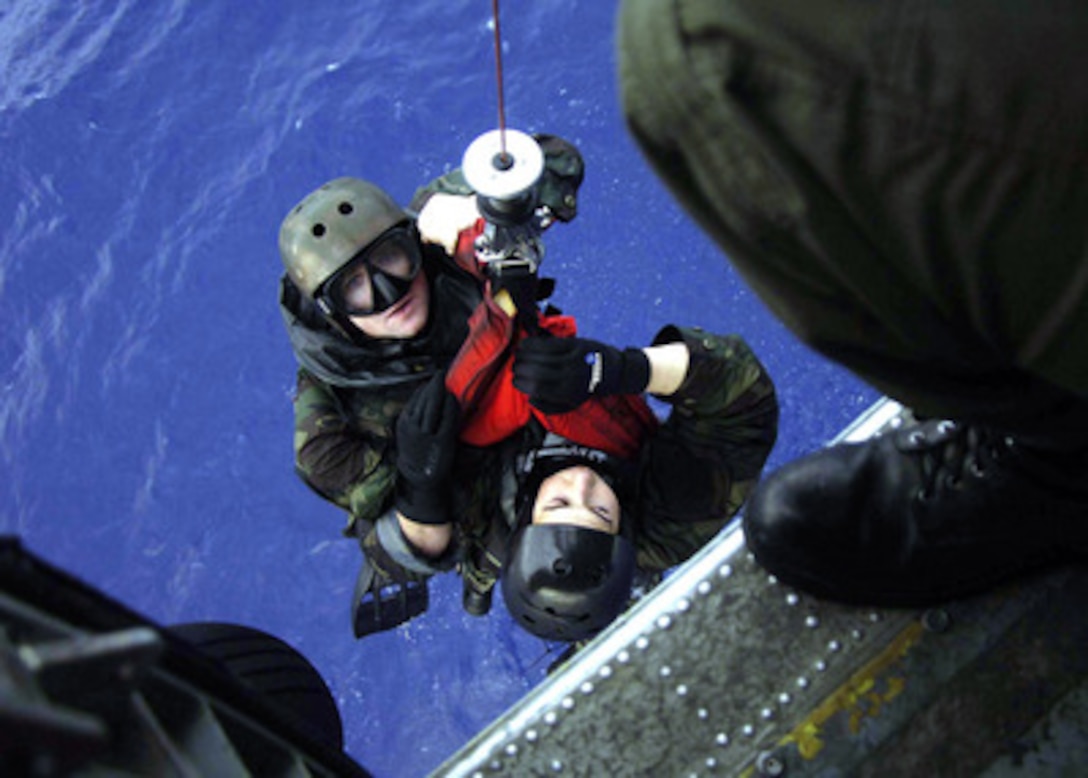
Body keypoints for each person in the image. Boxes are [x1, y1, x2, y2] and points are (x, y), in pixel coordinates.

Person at [616, 0, 1088, 607]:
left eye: (562, 509)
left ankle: (1059, 445)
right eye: (595, 519)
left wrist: (619, 368)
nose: (579, 493)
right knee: (700, 43)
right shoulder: (662, 520)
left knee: (694, 45)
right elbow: (740, 402)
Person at [277, 136, 586, 635]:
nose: (385, 294)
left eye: (392, 259)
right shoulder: (324, 429)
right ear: (332, 315)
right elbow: (408, 548)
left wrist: (485, 206)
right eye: (353, 287)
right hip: (479, 499)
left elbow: (552, 156)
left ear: (410, 241)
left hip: (541, 385)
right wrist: (421, 482)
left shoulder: (432, 226)